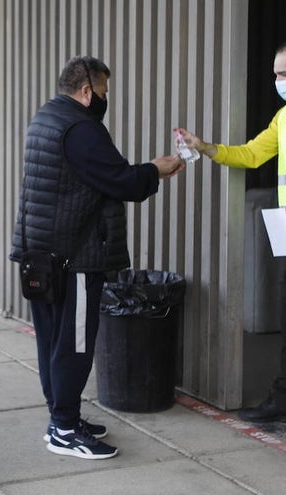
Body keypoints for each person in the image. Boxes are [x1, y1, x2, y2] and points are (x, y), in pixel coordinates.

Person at [10, 58, 184, 460]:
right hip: (74, 259)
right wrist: (155, 170)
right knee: (73, 345)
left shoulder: (46, 117)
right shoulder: (81, 128)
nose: (105, 100)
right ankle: (65, 430)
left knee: (54, 343)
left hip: (42, 253)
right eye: (104, 92)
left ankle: (62, 416)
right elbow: (119, 179)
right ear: (87, 90)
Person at [178, 35, 286, 452]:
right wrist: (205, 148)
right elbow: (251, 154)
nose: (277, 80)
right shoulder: (285, 117)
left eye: (283, 73)